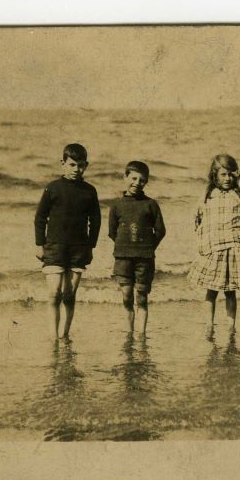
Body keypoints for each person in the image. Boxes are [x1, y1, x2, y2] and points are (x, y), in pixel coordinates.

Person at [34, 143, 101, 339]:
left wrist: (90, 246)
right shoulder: (52, 188)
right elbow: (40, 217)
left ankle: (65, 335)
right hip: (54, 247)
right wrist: (39, 244)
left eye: (80, 165)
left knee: (69, 295)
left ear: (86, 166)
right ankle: (53, 337)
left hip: (78, 249)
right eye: (72, 165)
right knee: (54, 294)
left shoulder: (90, 191)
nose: (76, 169)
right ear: (63, 163)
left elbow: (95, 221)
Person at [187, 154, 240, 336]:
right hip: (214, 249)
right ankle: (209, 325)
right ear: (215, 175)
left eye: (231, 175)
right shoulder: (207, 197)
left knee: (231, 291)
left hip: (233, 248)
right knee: (212, 290)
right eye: (223, 174)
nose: (227, 179)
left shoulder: (239, 197)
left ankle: (231, 326)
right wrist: (203, 246)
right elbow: (198, 221)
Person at [107, 161, 166, 338]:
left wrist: (148, 247)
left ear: (146, 182)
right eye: (133, 178)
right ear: (125, 177)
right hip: (123, 257)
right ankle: (129, 331)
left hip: (145, 258)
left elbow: (161, 231)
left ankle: (141, 335)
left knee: (141, 296)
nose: (137, 183)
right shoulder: (116, 204)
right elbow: (112, 232)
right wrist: (124, 246)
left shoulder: (151, 204)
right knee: (126, 295)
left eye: (142, 180)